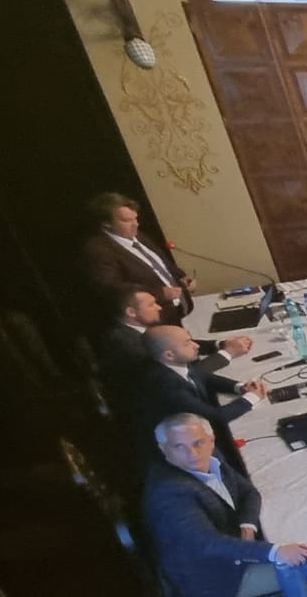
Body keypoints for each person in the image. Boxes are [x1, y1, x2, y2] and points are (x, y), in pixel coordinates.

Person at [142, 413, 307, 597]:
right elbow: (208, 544)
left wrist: (247, 525)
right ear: (163, 449)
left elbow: (248, 492)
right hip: (219, 581)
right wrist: (275, 552)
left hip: (235, 548)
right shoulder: (169, 493)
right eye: (179, 447)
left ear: (211, 440)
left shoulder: (212, 456)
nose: (193, 454)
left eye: (198, 443)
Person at [129, 325, 266, 475]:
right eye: (187, 343)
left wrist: (239, 387)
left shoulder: (172, 364)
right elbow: (215, 418)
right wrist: (252, 397)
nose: (196, 345)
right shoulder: (167, 387)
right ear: (169, 355)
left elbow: (203, 377)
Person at [83, 193, 191, 321]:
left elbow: (161, 264)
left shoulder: (139, 235)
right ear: (106, 224)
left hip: (182, 310)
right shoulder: (99, 250)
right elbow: (114, 290)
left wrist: (181, 277)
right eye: (127, 221)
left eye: (135, 218)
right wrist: (159, 293)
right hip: (157, 319)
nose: (136, 224)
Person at [102, 287, 252, 373]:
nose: (159, 308)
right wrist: (228, 353)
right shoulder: (129, 346)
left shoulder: (139, 324)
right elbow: (186, 375)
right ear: (131, 312)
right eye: (151, 305)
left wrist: (221, 344)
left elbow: (178, 344)